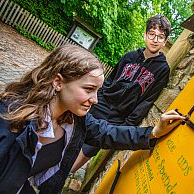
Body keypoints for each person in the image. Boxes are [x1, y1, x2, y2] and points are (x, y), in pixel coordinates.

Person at [0, 44, 184, 194]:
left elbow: (108, 133)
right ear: (58, 81)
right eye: (88, 89)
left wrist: (153, 132)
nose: (95, 100)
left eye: (97, 91)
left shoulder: (74, 122)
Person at [71, 14, 172, 173]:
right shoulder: (129, 56)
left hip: (120, 116)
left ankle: (66, 173)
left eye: (161, 36)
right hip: (103, 104)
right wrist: (98, 98)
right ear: (145, 35)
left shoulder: (162, 69)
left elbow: (146, 101)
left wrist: (128, 124)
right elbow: (110, 79)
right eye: (152, 34)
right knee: (79, 132)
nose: (155, 39)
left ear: (165, 41)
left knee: (93, 146)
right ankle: (55, 164)